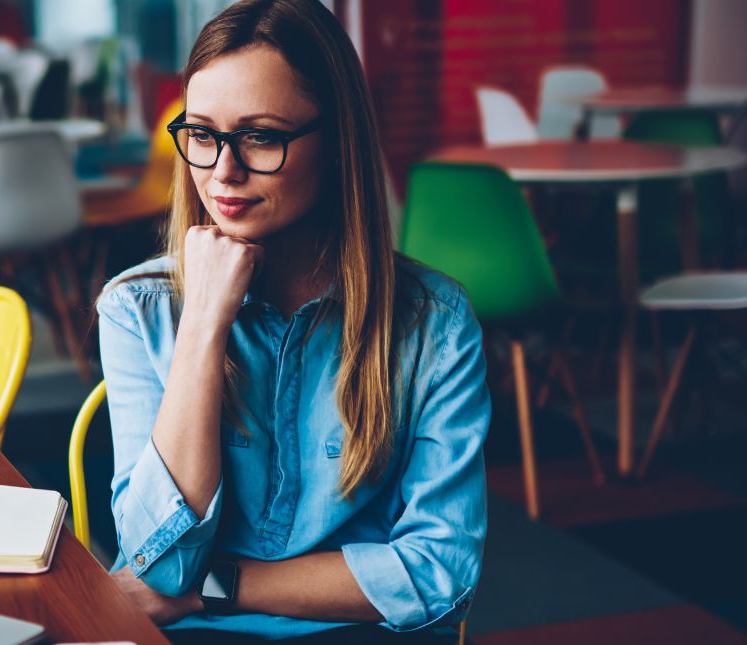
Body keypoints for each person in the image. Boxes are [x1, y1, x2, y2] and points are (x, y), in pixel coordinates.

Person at [94, 0, 486, 642]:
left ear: (336, 143)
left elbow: (440, 574)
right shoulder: (138, 308)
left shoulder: (433, 324)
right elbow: (157, 563)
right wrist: (203, 324)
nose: (223, 171)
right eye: (201, 134)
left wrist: (212, 586)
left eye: (260, 137)